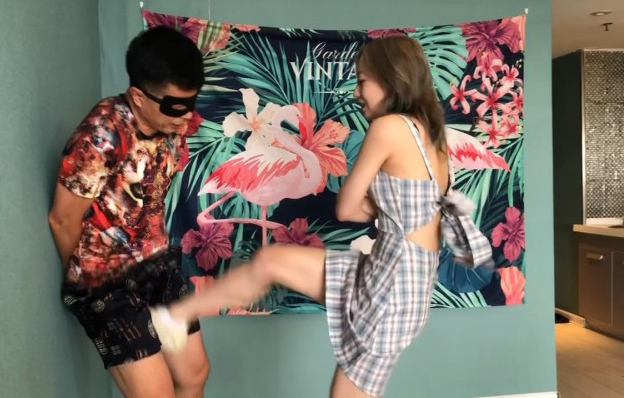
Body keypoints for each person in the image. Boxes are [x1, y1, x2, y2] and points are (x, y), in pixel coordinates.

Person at [149, 35, 494, 398]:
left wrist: (376, 206)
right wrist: (383, 207)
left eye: (363, 81)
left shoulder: (390, 127)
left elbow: (347, 208)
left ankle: (174, 317)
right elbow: (410, 208)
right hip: (394, 276)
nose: (357, 93)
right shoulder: (430, 136)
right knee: (269, 261)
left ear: (391, 79)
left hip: (391, 289)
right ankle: (175, 317)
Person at [48, 26, 209, 398]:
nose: (185, 117)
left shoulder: (173, 128)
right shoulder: (101, 135)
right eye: (175, 106)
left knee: (194, 374)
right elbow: (62, 219)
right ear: (138, 96)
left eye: (191, 103)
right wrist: (88, 280)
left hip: (157, 267)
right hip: (107, 280)